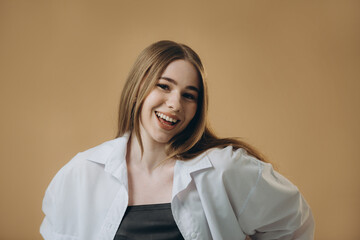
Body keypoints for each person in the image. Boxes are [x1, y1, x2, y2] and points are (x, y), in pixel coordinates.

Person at [40, 40, 314, 240]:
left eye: (189, 95)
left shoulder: (224, 169)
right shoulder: (82, 172)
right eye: (164, 86)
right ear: (138, 89)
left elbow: (294, 223)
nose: (174, 104)